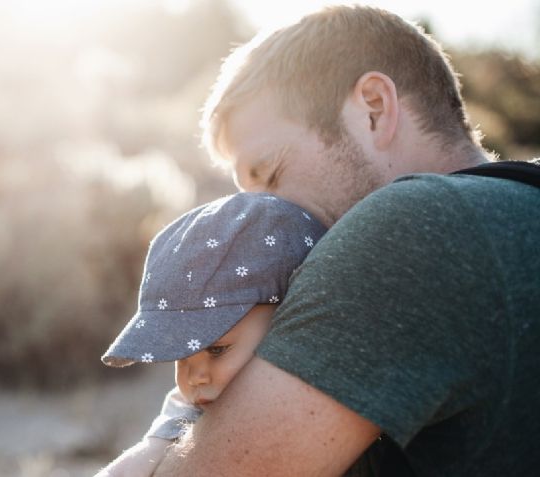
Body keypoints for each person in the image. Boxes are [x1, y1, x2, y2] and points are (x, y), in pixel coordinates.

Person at [146, 4, 540, 476]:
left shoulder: (410, 227)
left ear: (374, 108)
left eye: (270, 174)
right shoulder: (518, 207)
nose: (259, 219)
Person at [94, 192, 327, 476]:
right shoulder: (193, 408)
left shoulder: (326, 395)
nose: (194, 377)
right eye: (180, 356)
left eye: (217, 350)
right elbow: (140, 460)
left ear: (288, 317)